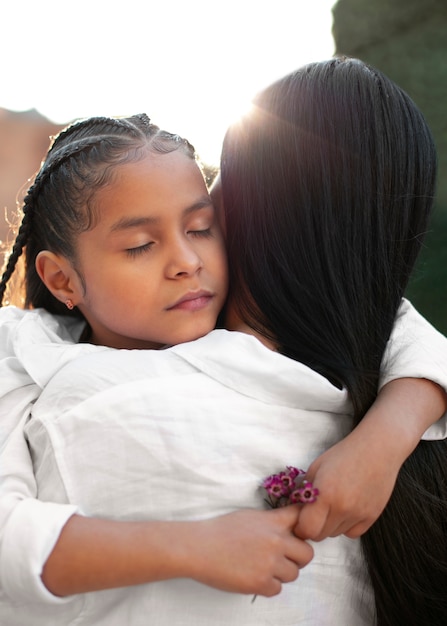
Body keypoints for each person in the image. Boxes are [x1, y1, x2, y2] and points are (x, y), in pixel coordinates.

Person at [0, 74, 446, 624]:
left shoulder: (299, 331)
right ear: (63, 280)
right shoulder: (23, 348)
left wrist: (381, 443)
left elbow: (400, 324)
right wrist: (193, 546)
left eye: (201, 227)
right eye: (141, 244)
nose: (186, 260)